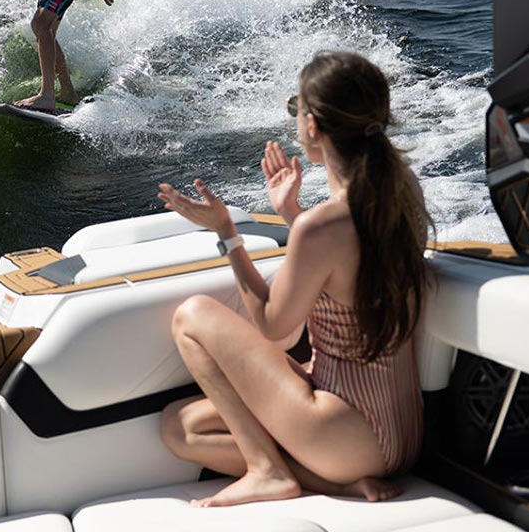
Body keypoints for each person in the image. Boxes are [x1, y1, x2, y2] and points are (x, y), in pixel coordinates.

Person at [155, 51, 430, 507]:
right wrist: (291, 214)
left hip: (345, 429)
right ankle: (333, 483)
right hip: (403, 434)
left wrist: (227, 232)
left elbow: (272, 326)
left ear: (312, 126)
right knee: (181, 427)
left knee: (191, 316)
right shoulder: (404, 192)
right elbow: (348, 266)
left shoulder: (322, 227)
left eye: (296, 110)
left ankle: (268, 472)